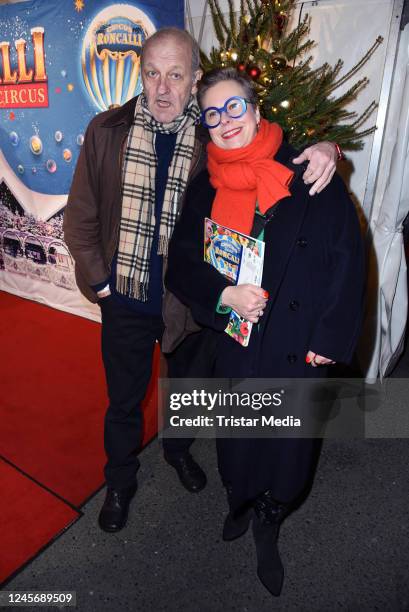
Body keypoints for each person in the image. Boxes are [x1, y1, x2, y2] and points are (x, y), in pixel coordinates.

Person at [63, 27, 339, 534]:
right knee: (123, 401)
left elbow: (270, 146)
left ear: (193, 81)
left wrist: (326, 147)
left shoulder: (212, 137)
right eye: (152, 73)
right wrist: (102, 286)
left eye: (175, 75)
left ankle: (177, 452)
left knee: (186, 391)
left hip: (185, 302)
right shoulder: (107, 131)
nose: (162, 87)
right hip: (122, 297)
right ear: (140, 76)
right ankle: (120, 479)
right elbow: (78, 220)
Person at [164, 67, 365, 596]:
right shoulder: (203, 186)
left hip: (295, 344)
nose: (225, 121)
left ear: (255, 111)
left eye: (234, 108)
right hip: (236, 338)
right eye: (212, 113)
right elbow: (182, 264)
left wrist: (329, 339)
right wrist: (222, 294)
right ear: (205, 125)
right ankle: (241, 501)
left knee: (289, 452)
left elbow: (348, 259)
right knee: (238, 441)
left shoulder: (308, 170)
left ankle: (270, 520)